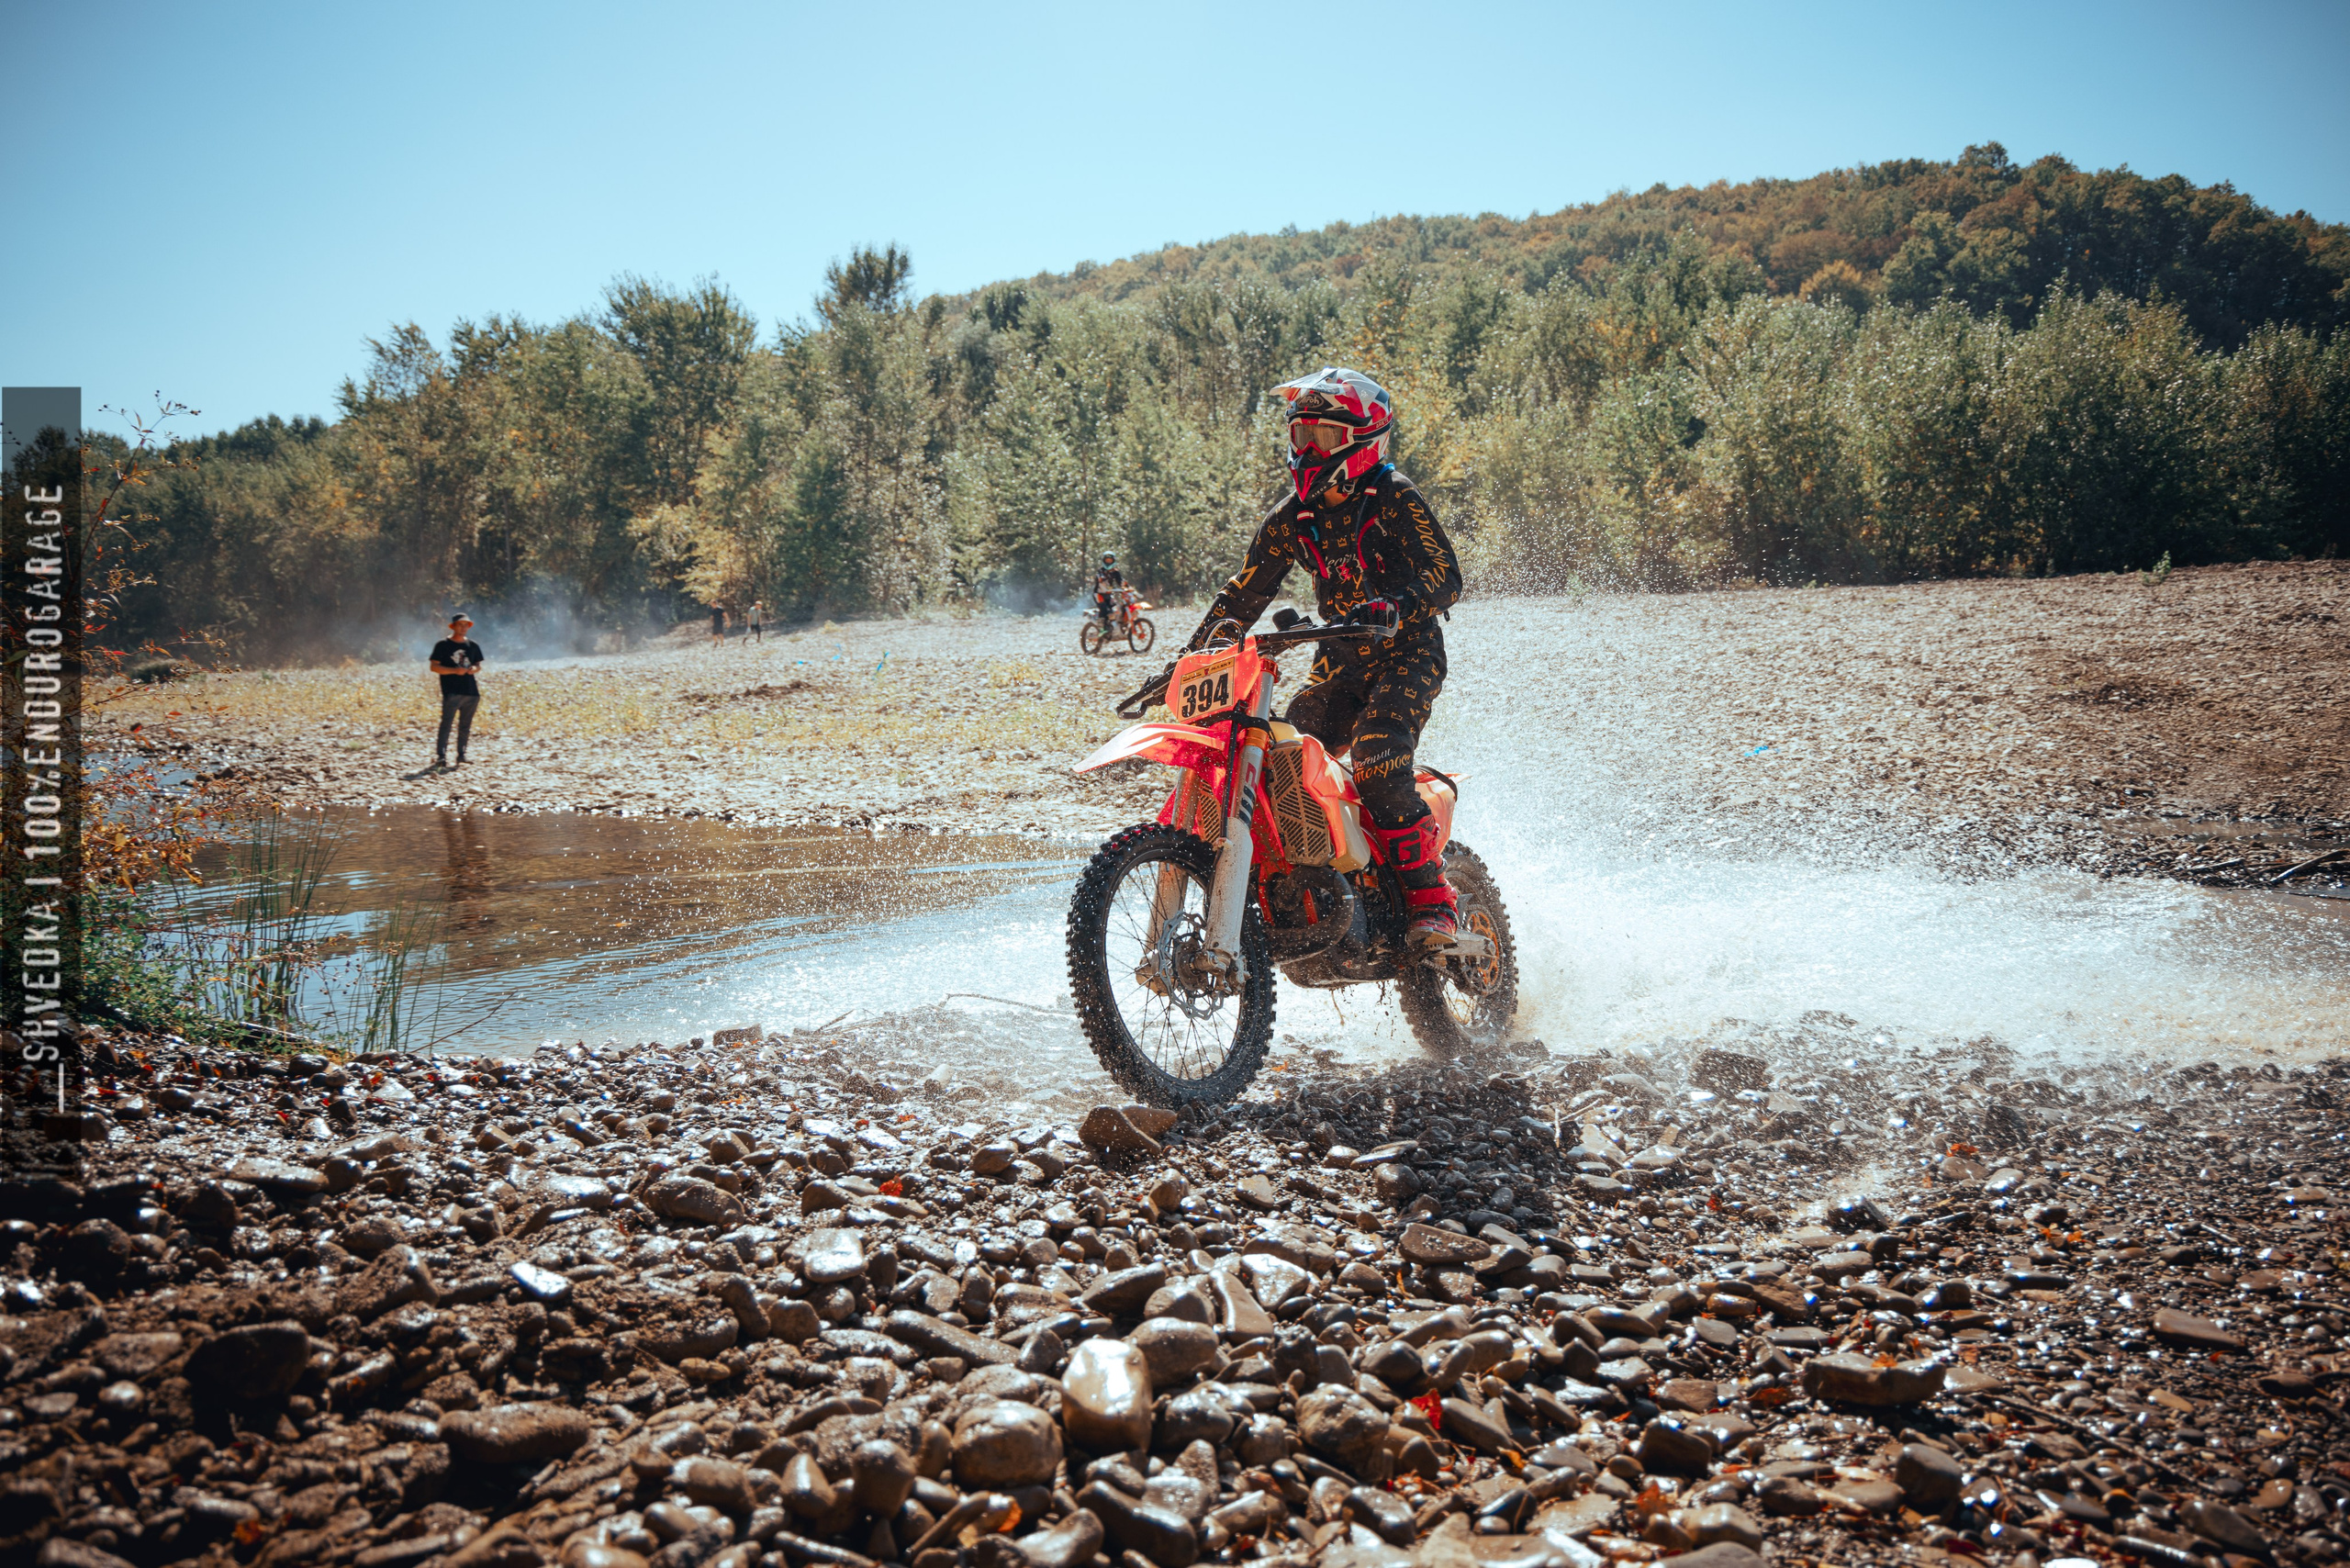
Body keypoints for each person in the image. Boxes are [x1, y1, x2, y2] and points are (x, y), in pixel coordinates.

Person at [1178, 365, 1466, 949]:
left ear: (1365, 438)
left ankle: (1433, 903)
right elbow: (1246, 592)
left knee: (1379, 757)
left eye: (1325, 437)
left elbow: (1447, 577)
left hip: (1407, 653)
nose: (1309, 450)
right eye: (1300, 435)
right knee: (1284, 763)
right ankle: (1307, 889)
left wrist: (1398, 605)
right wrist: (1194, 654)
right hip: (1338, 664)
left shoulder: (1394, 496)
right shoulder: (1293, 517)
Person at [428, 613, 486, 768]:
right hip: (451, 691)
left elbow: (478, 665)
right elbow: (434, 667)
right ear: (453, 626)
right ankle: (441, 757)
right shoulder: (442, 645)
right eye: (460, 624)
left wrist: (474, 669)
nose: (464, 627)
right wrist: (454, 671)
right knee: (446, 724)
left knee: (465, 725)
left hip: (471, 692)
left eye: (466, 624)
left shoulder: (473, 645)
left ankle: (461, 755)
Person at [1091, 554, 1125, 633]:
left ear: (1113, 561)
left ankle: (1111, 627)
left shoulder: (1116, 572)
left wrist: (1126, 587)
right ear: (1103, 561)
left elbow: (1121, 582)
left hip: (1108, 594)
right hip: (1099, 594)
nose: (1108, 562)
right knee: (1104, 609)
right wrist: (1101, 578)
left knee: (1115, 610)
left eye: (1110, 560)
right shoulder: (1100, 571)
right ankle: (1101, 629)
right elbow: (1099, 578)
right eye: (1107, 560)